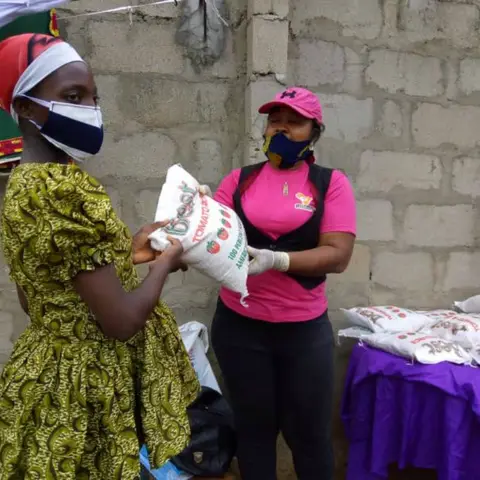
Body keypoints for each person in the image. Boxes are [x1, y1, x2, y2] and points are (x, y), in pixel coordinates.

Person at [0, 33, 199, 479]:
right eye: (73, 96)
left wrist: (129, 253)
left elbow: (42, 297)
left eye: (93, 97)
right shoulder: (68, 189)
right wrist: (166, 263)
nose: (90, 108)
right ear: (26, 108)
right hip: (84, 391)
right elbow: (121, 322)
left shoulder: (23, 185)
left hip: (45, 375)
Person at [210, 87, 356, 480]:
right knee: (253, 433)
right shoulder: (239, 181)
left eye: (294, 122)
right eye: (276, 120)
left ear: (314, 130)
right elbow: (213, 238)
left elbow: (338, 255)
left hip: (303, 331)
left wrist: (278, 260)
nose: (283, 129)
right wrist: (195, 222)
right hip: (240, 326)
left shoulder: (330, 184)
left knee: (308, 436)